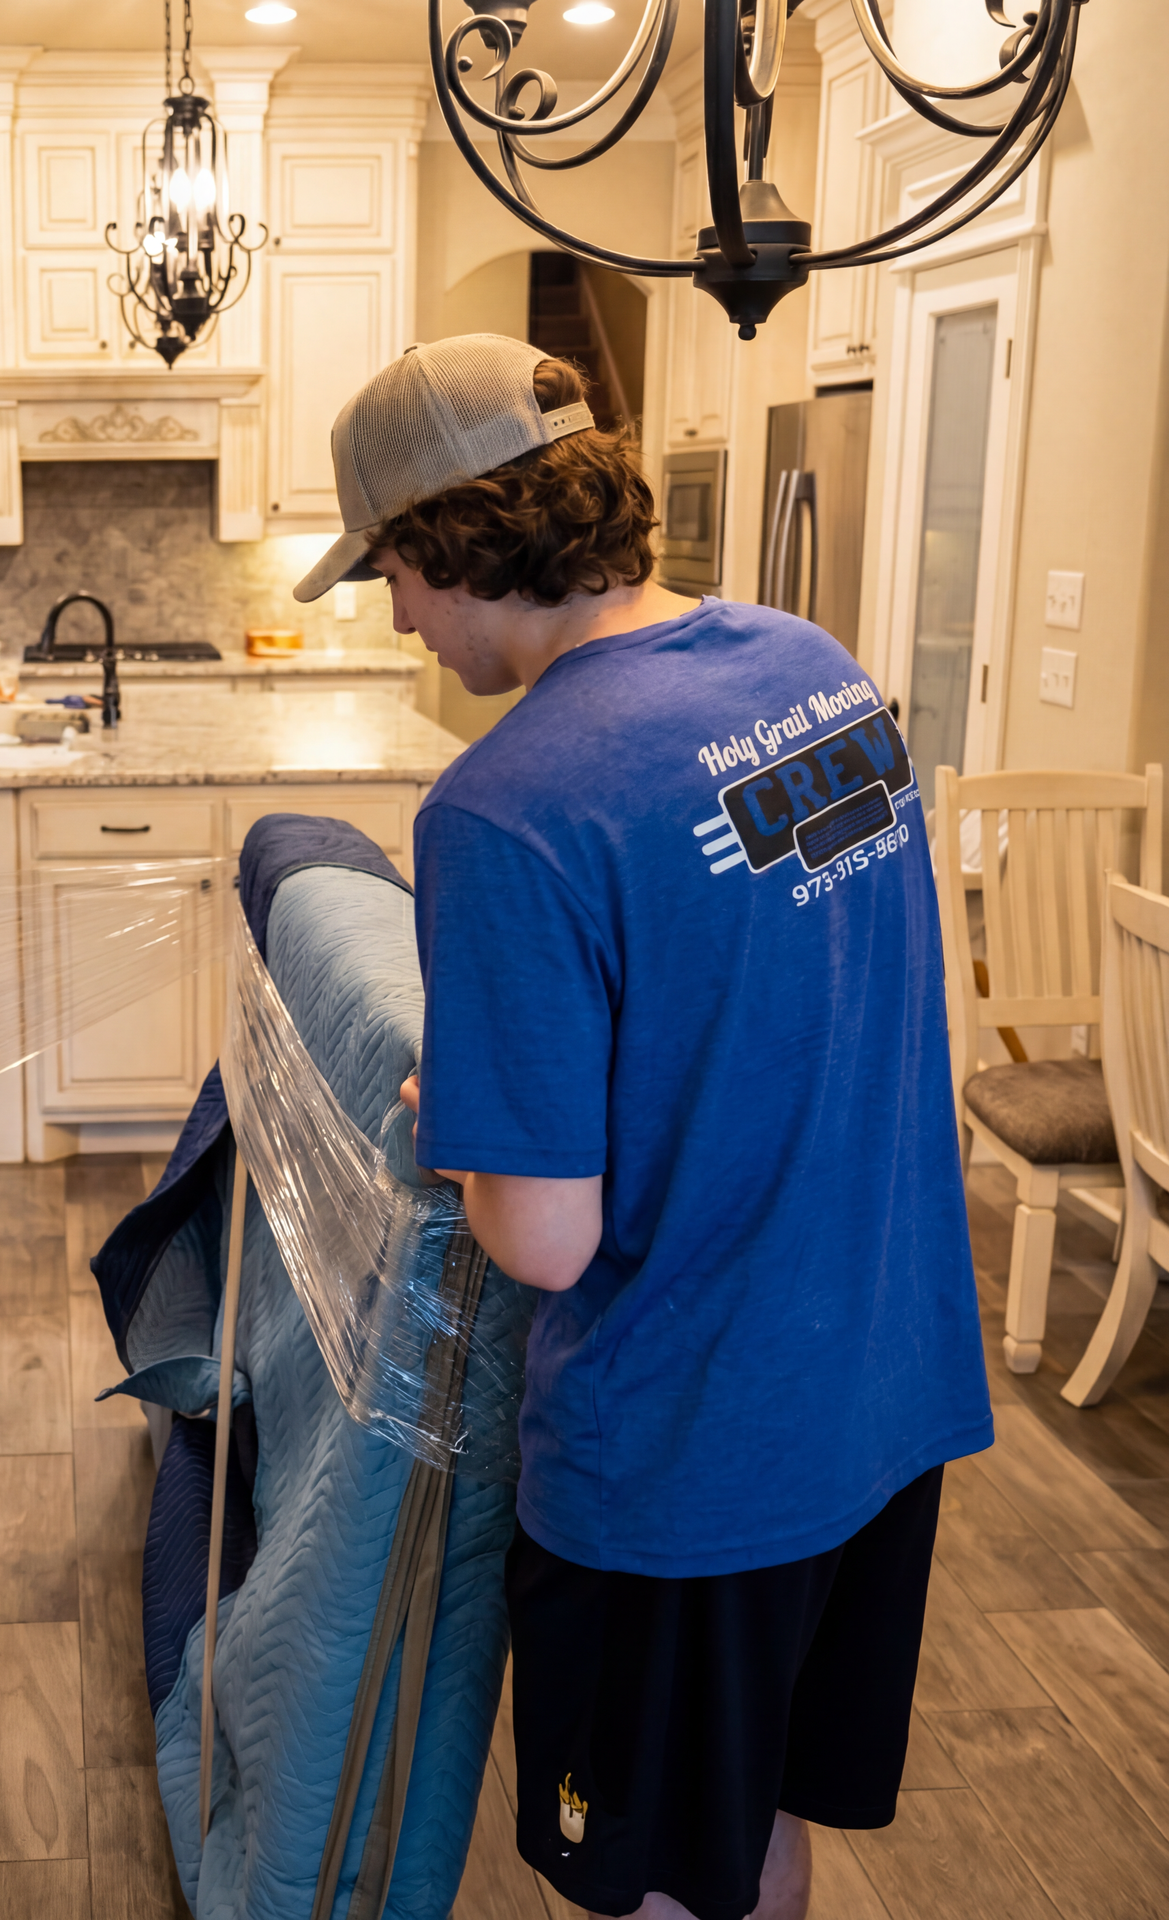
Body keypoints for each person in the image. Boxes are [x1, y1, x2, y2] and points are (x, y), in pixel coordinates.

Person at [292, 335, 992, 1920]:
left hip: (691, 1453)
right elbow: (776, 999)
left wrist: (477, 1133)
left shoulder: (506, 805)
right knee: (745, 1825)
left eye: (394, 569)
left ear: (457, 542)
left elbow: (545, 1234)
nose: (395, 613)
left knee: (653, 1876)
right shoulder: (814, 667)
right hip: (884, 1382)